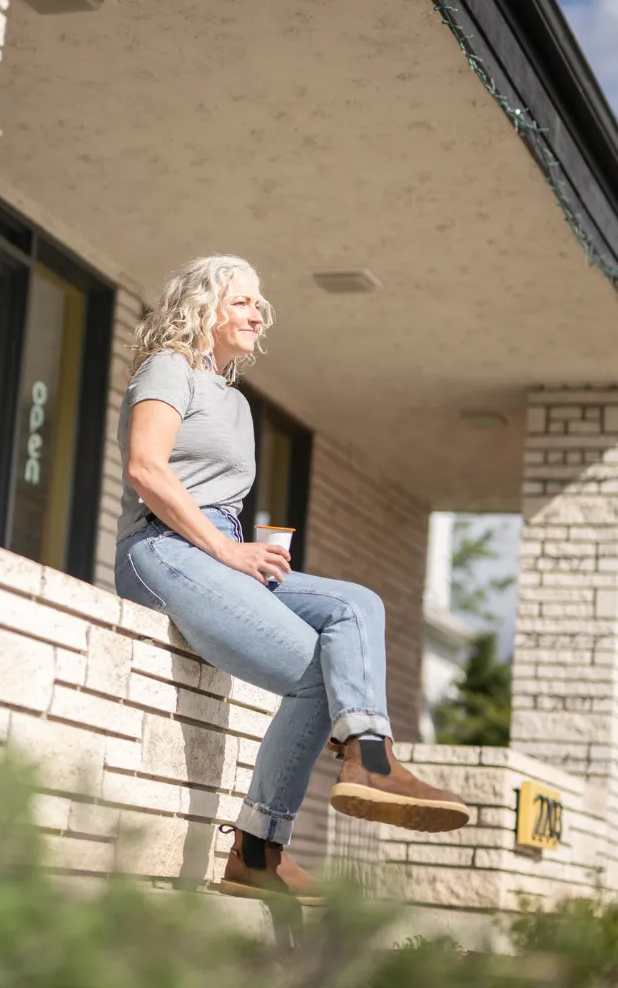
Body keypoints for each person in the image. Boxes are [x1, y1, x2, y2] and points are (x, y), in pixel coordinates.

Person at [114, 255, 469, 905]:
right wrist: (228, 549)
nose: (258, 314)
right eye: (243, 301)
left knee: (354, 606)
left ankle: (361, 762)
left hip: (210, 547)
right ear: (203, 308)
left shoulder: (234, 401)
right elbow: (146, 469)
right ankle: (270, 840)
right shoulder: (169, 369)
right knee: (317, 670)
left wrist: (246, 550)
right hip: (162, 549)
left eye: (259, 304)